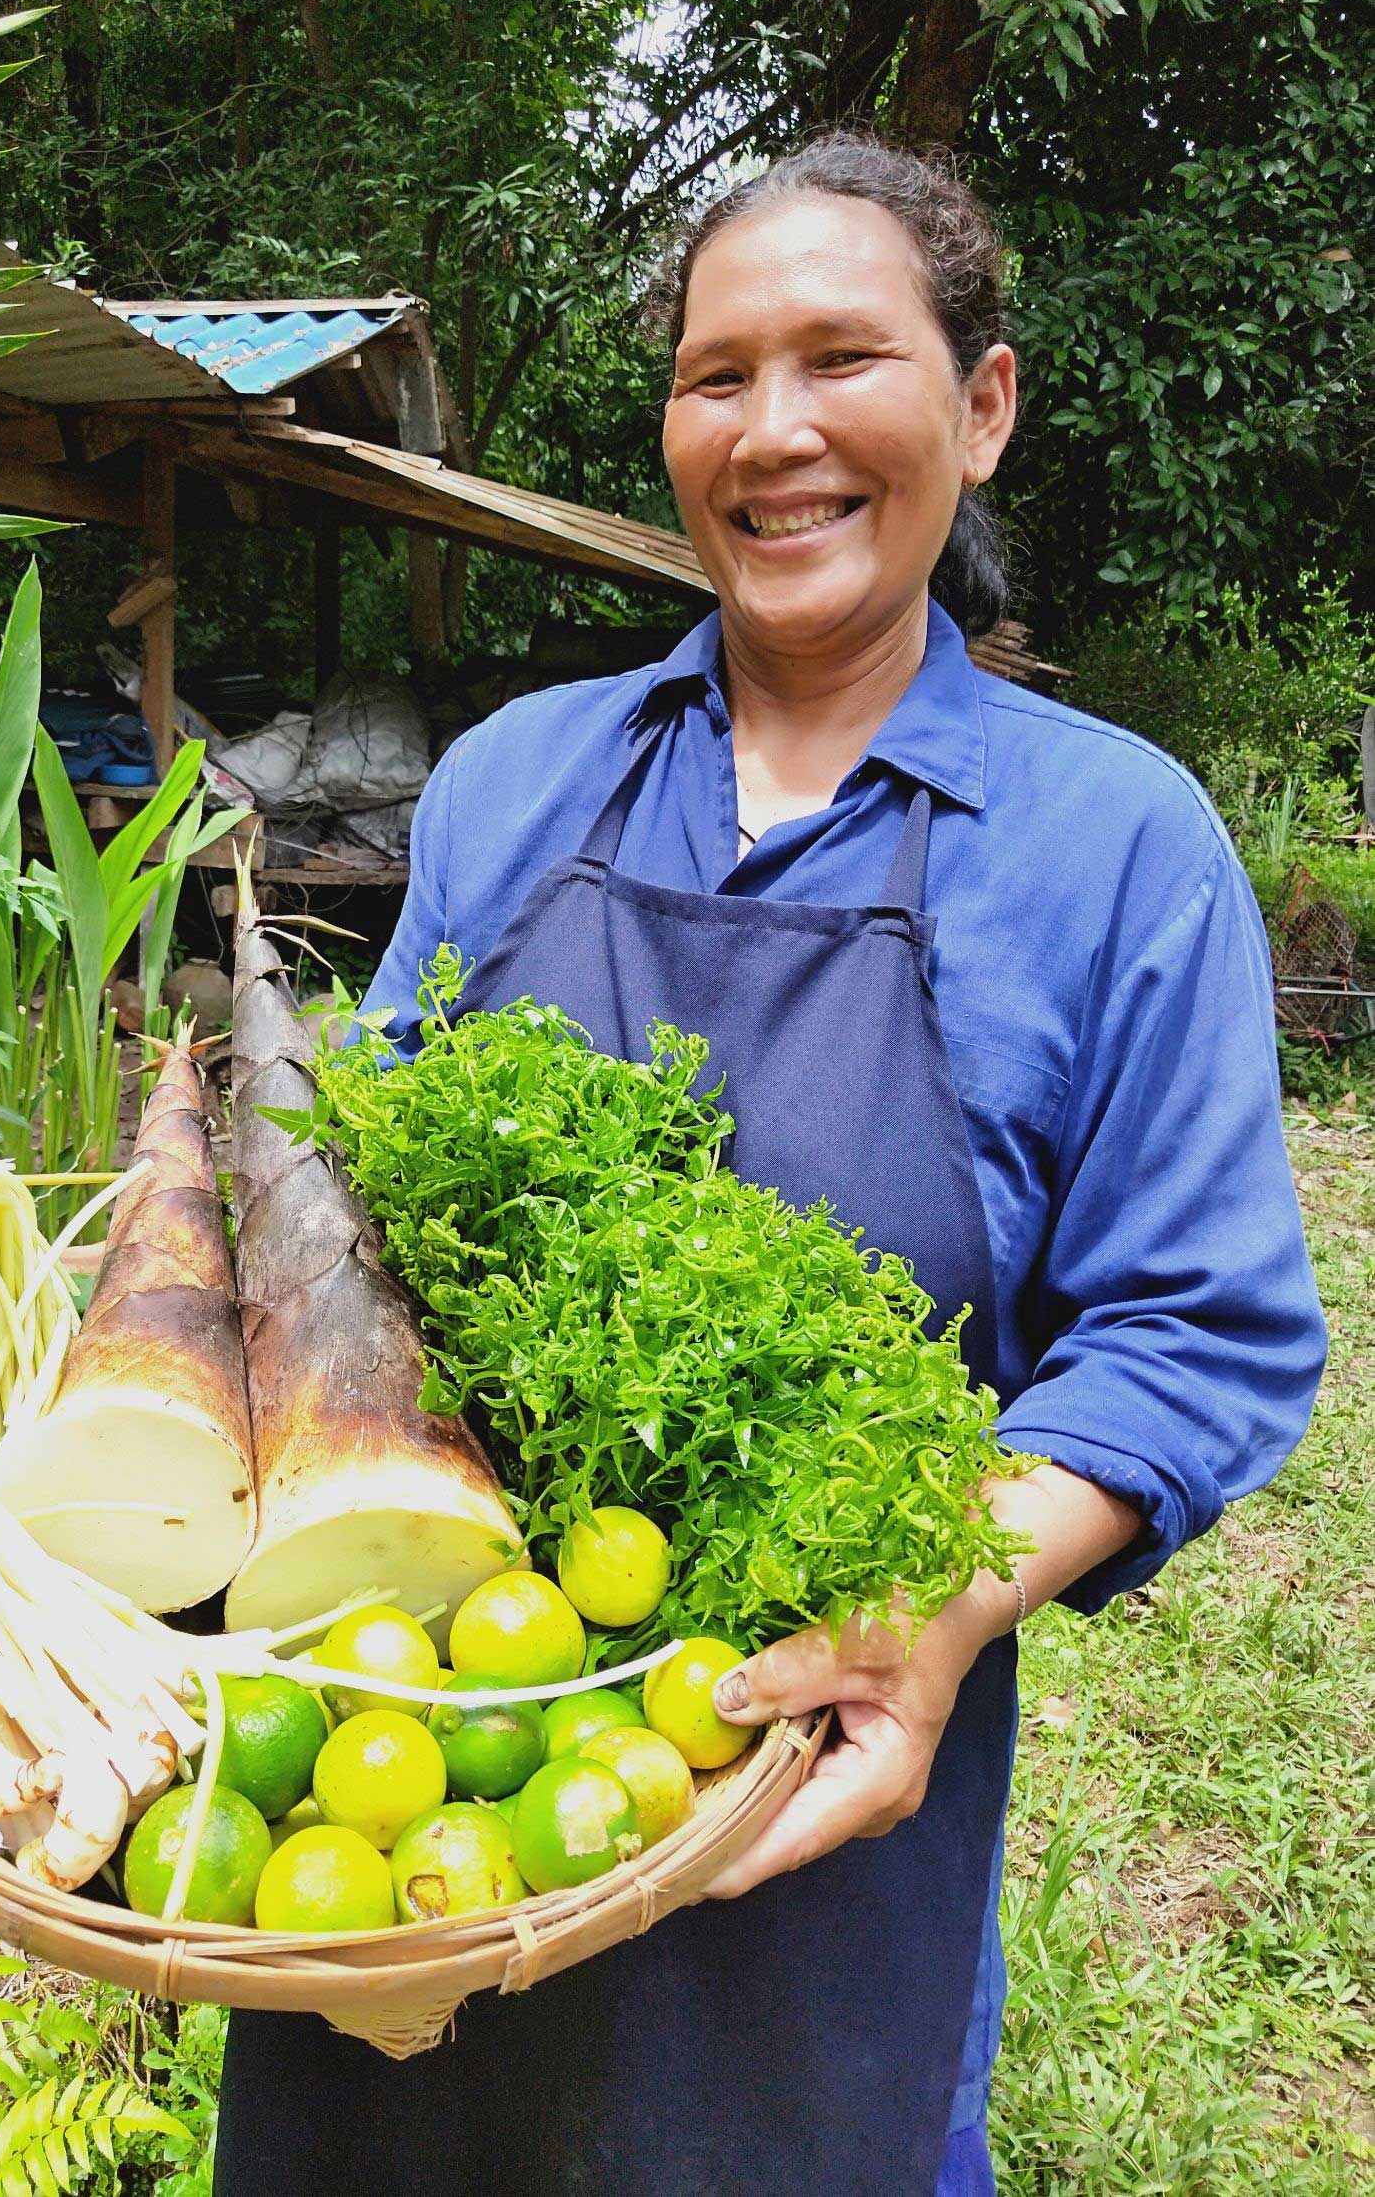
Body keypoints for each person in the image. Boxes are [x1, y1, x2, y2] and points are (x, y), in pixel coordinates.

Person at [214, 132, 1327, 2197]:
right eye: (715, 376)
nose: (773, 431)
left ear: (977, 408)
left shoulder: (1110, 845)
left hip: (811, 1780)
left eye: (840, 359)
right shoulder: (513, 778)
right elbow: (345, 1221)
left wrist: (927, 1600)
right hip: (415, 1767)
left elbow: (1192, 1334)